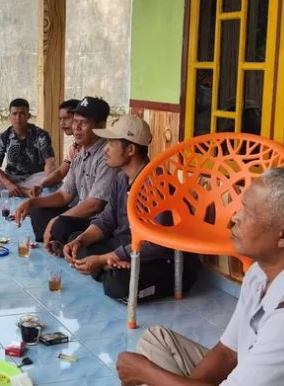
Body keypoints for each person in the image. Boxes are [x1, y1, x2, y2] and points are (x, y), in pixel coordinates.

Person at [116, 168, 284, 386]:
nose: (234, 218)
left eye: (248, 212)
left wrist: (146, 373)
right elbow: (228, 353)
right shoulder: (263, 271)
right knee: (157, 342)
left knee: (147, 368)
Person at [62, 114, 195, 301]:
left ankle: (112, 268)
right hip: (127, 247)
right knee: (77, 241)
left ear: (130, 149)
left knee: (117, 284)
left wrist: (103, 259)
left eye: (111, 144)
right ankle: (112, 265)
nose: (105, 149)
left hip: (161, 260)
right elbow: (107, 220)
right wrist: (82, 240)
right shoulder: (121, 178)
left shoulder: (156, 184)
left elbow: (154, 246)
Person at [14, 96, 118, 251]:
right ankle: (58, 242)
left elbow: (95, 205)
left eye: (83, 123)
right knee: (38, 211)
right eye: (75, 121)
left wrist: (57, 219)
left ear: (101, 126)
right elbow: (64, 195)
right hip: (81, 213)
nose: (76, 127)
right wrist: (32, 202)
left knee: (61, 225)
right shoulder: (79, 151)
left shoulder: (107, 156)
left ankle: (66, 242)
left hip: (98, 220)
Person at [0, 98, 56, 197]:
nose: (18, 118)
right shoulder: (4, 137)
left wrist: (44, 182)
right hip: (12, 177)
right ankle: (27, 192)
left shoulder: (41, 135)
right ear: (9, 117)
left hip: (35, 177)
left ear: (28, 116)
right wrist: (8, 184)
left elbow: (49, 162)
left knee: (54, 182)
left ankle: (21, 191)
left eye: (22, 114)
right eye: (14, 114)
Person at [30, 98, 81, 196]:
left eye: (66, 118)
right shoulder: (74, 145)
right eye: (60, 119)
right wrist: (41, 185)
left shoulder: (92, 147)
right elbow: (61, 172)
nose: (62, 123)